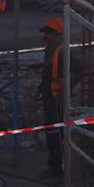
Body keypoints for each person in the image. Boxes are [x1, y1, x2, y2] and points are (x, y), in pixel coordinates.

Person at [36, 17, 80, 177]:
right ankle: (54, 165)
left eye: (48, 33)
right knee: (51, 132)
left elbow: (78, 70)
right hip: (49, 97)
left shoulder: (62, 51)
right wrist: (41, 89)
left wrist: (66, 87)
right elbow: (47, 75)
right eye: (45, 33)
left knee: (56, 133)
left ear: (56, 34)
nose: (45, 36)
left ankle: (59, 169)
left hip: (56, 99)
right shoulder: (50, 50)